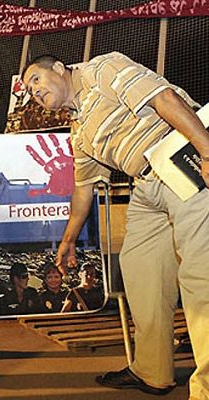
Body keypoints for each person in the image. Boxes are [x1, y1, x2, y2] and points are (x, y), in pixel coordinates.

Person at [22, 52, 209, 397]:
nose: (34, 91)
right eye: (29, 90)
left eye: (36, 79)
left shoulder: (102, 69)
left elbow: (163, 98)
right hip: (149, 184)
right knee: (140, 269)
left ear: (60, 69)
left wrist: (207, 150)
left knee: (201, 278)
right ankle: (153, 371)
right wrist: (68, 240)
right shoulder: (78, 130)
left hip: (186, 161)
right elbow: (83, 188)